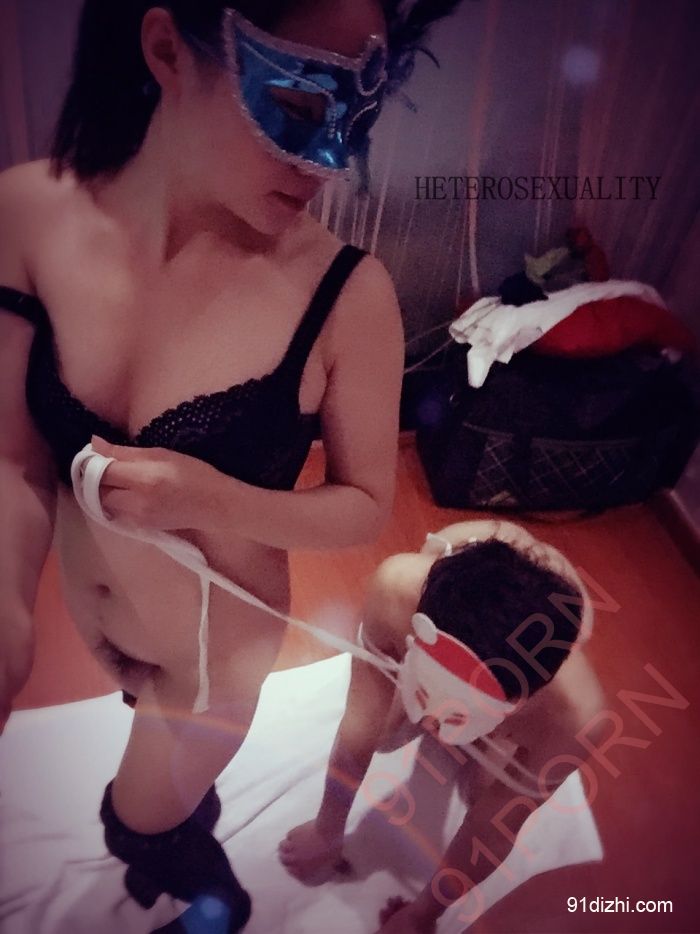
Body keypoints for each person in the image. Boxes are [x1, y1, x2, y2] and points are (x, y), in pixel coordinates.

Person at [0, 0, 418, 928]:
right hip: (108, 629)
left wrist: (208, 496)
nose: (331, 159)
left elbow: (363, 505)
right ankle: (188, 809)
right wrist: (8, 616)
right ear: (165, 48)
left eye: (360, 120)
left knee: (137, 824)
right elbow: (13, 458)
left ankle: (196, 870)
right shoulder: (27, 216)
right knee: (173, 788)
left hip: (211, 667)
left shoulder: (347, 294)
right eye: (301, 107)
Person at [279, 519, 606, 934]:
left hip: (524, 673)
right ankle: (441, 701)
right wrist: (327, 829)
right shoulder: (396, 590)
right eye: (427, 696)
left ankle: (474, 727)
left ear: (524, 701)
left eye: (458, 715)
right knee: (381, 735)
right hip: (454, 579)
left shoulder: (574, 716)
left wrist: (423, 914)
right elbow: (361, 719)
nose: (432, 723)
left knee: (482, 793)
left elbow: (493, 828)